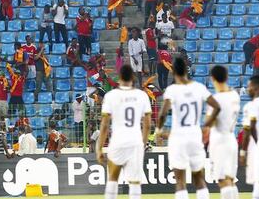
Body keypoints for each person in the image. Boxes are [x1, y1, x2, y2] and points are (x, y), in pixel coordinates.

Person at [156, 57, 221, 199]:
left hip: (178, 137)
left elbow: (162, 114)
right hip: (195, 135)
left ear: (173, 72)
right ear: (186, 70)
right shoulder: (199, 88)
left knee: (180, 180)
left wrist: (159, 131)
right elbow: (216, 106)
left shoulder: (172, 90)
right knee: (199, 179)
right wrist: (206, 126)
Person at [97, 64, 152, 199]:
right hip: (135, 142)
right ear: (133, 77)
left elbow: (104, 126)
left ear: (120, 77)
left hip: (117, 141)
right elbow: (147, 125)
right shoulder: (141, 95)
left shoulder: (111, 96)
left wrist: (99, 149)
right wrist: (143, 143)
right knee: (134, 183)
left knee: (112, 180)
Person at [206, 65, 240, 199]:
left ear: (212, 78)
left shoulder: (215, 99)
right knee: (230, 179)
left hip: (219, 140)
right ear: (226, 77)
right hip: (231, 139)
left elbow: (211, 121)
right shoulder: (234, 95)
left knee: (222, 180)